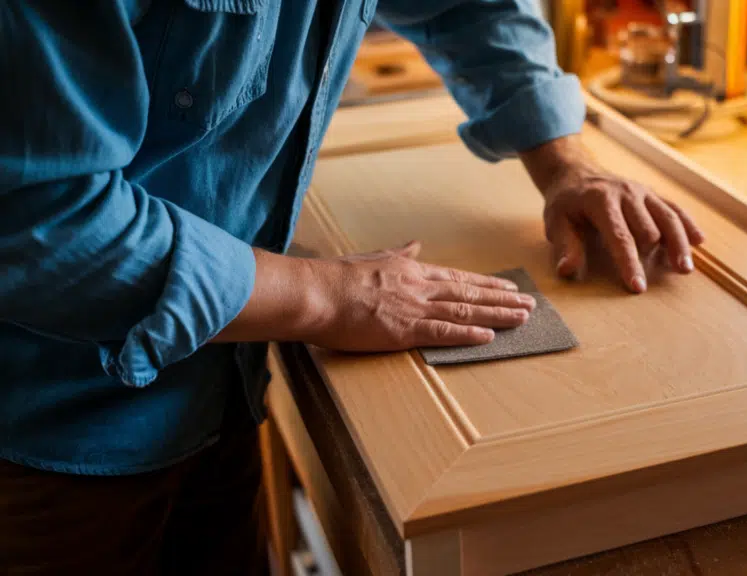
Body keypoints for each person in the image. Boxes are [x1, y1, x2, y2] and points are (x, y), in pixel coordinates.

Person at [0, 1, 704, 573]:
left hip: (219, 382)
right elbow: (36, 216)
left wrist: (564, 161)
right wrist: (329, 297)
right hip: (44, 436)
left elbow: (468, 5)